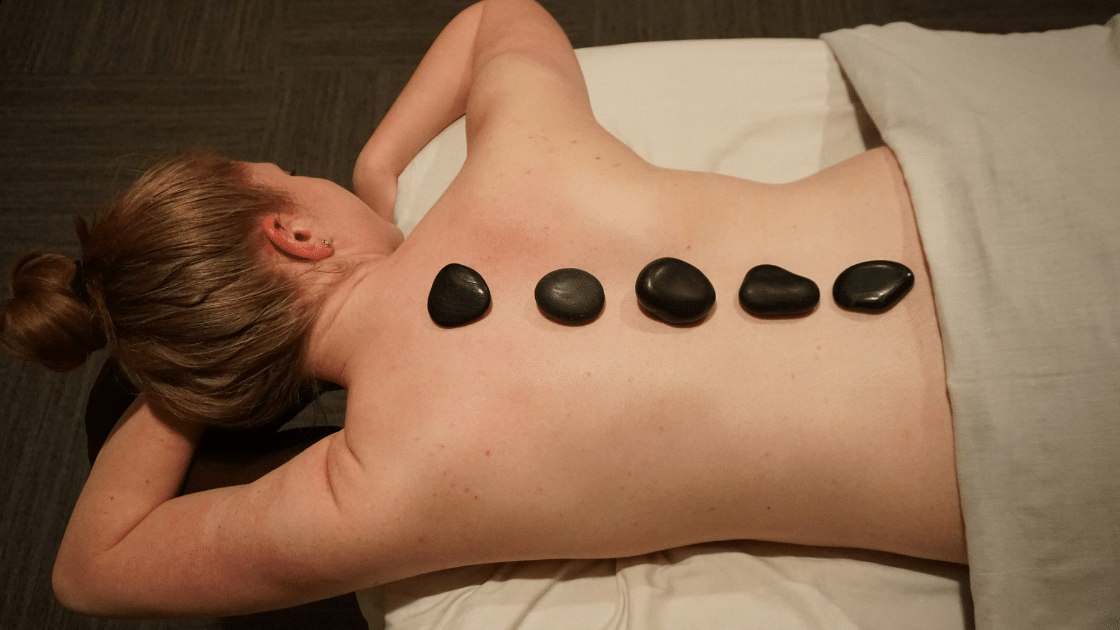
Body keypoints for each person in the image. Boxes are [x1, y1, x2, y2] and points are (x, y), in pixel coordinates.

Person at [0, 0, 964, 618]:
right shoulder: (520, 162)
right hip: (983, 199)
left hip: (1024, 453)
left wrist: (184, 370)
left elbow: (92, 569)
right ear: (294, 234)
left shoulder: (365, 493)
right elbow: (499, 16)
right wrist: (382, 161)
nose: (333, 177)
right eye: (299, 176)